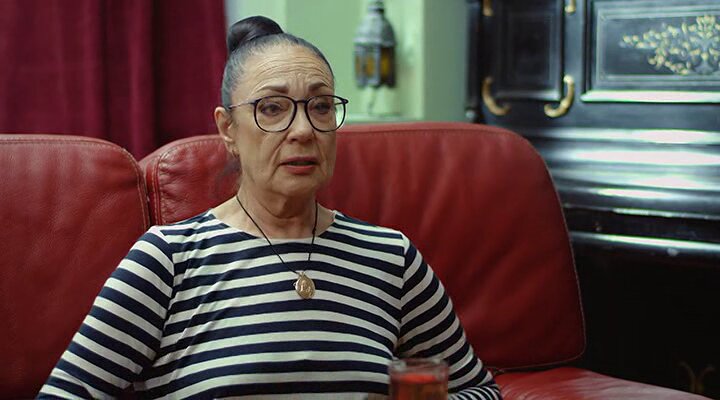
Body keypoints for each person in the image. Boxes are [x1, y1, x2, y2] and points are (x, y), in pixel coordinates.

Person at [39, 16, 502, 399]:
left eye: (321, 106)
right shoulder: (169, 259)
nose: (303, 130)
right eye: (273, 108)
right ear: (228, 130)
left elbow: (479, 390)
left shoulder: (390, 257)